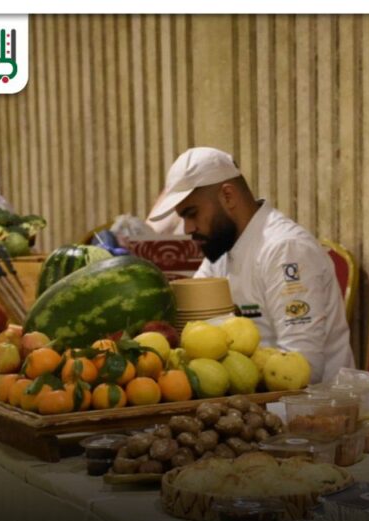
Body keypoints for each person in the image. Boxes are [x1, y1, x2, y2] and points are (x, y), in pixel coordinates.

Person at [148, 147, 354, 384]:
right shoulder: (222, 248)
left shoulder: (285, 250)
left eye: (192, 214)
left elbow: (304, 368)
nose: (187, 229)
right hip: (250, 400)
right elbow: (189, 324)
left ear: (228, 196)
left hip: (311, 408)